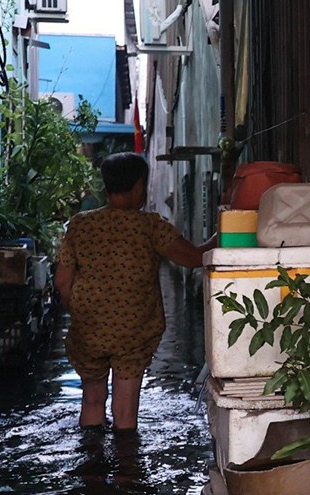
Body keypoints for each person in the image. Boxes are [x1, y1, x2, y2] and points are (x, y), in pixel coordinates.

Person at [55, 152, 211, 431]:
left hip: (88, 327)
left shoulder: (80, 224)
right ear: (140, 185)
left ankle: (92, 465)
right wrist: (226, 231)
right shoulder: (150, 226)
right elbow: (195, 258)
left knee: (92, 401)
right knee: (125, 411)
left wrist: (81, 314)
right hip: (133, 330)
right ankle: (126, 470)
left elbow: (62, 282)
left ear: (106, 186)